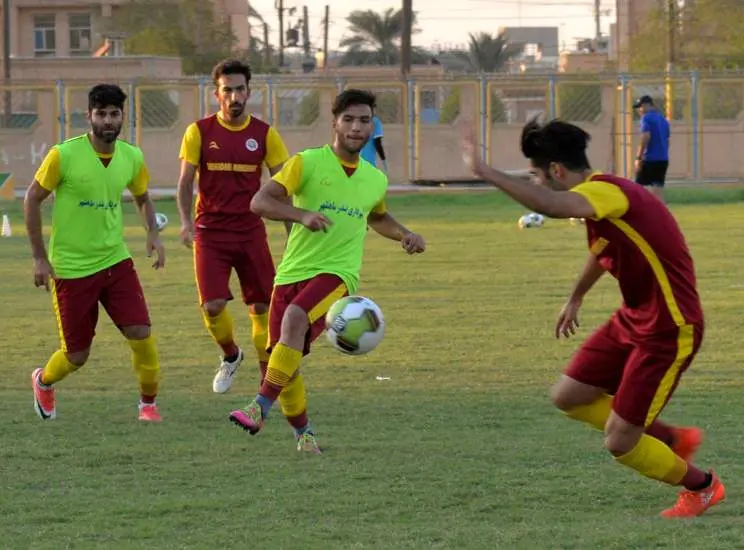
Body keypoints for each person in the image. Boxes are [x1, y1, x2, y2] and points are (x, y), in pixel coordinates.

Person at [460, 118, 724, 519]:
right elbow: (604, 249)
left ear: (557, 171)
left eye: (537, 174)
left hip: (670, 327)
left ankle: (702, 487)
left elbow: (550, 205)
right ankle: (669, 438)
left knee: (619, 441)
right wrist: (576, 298)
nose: (538, 182)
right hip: (634, 318)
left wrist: (483, 172)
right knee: (568, 395)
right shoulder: (605, 203)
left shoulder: (606, 192)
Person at [228, 89, 426, 453]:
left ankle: (258, 406)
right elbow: (260, 201)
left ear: (372, 125)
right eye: (349, 119)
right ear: (334, 122)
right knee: (285, 364)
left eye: (364, 120)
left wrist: (405, 234)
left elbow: (378, 217)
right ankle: (305, 436)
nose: (356, 127)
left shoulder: (374, 179)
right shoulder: (307, 163)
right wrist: (300, 214)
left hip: (338, 274)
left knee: (295, 317)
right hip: (290, 273)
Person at [24, 84, 166, 422]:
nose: (107, 120)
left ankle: (148, 404)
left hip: (115, 261)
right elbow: (32, 199)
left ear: (122, 118)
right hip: (71, 269)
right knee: (76, 356)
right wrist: (40, 257)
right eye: (100, 114)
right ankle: (43, 380)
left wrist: (153, 234)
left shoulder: (132, 157)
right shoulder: (64, 155)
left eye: (114, 114)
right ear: (88, 116)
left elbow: (143, 196)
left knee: (141, 333)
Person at [177, 59, 290, 394]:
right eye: (228, 90)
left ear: (249, 92)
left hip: (251, 231)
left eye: (240, 89)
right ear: (217, 94)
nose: (235, 96)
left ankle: (266, 383)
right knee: (212, 306)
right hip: (210, 232)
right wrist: (186, 223)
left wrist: (293, 233)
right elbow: (185, 182)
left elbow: (285, 185)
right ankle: (230, 355)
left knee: (261, 308)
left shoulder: (265, 134)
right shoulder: (199, 131)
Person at [634, 95, 670, 202]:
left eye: (640, 107)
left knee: (638, 189)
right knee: (658, 189)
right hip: (663, 159)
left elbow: (646, 136)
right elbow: (667, 140)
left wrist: (638, 157)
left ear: (646, 105)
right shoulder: (663, 119)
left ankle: (639, 212)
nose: (639, 110)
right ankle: (662, 214)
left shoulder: (646, 118)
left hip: (650, 159)